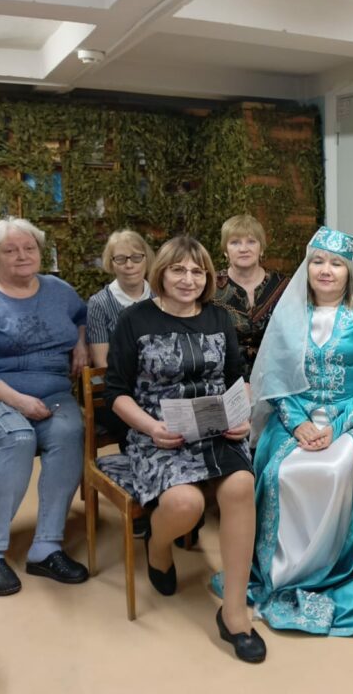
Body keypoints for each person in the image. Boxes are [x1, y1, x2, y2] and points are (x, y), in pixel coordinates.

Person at [243, 226, 353, 636]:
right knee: (282, 472)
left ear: (350, 271)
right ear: (307, 268)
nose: (326, 270)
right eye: (318, 262)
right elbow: (275, 380)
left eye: (337, 264)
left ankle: (329, 566)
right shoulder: (290, 312)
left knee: (335, 467)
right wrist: (298, 423)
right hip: (297, 417)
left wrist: (337, 426)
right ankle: (283, 571)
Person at [104, 236, 264, 663]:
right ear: (161, 273)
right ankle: (158, 548)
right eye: (178, 269)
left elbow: (236, 379)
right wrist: (151, 427)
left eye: (197, 271)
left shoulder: (218, 317)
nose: (188, 279)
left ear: (208, 278)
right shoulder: (135, 320)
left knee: (241, 485)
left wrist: (242, 416)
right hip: (157, 432)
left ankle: (234, 614)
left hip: (215, 430)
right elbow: (115, 393)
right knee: (185, 503)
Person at [0, 217, 90, 596]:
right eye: (10, 250)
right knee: (17, 437)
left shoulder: (59, 290)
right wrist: (18, 401)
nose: (22, 256)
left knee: (69, 432)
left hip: (52, 393)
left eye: (29, 248)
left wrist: (80, 342)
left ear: (41, 252)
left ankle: (46, 547)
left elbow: (82, 315)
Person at [212, 214, 289, 382]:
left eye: (251, 241)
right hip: (224, 379)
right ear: (225, 251)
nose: (243, 249)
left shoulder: (283, 286)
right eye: (235, 242)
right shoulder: (210, 288)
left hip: (276, 379)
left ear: (261, 248)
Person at [87, 230, 155, 369]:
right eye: (120, 259)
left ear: (146, 259)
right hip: (120, 381)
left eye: (136, 257)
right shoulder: (99, 304)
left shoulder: (162, 297)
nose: (129, 265)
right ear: (111, 263)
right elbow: (102, 364)